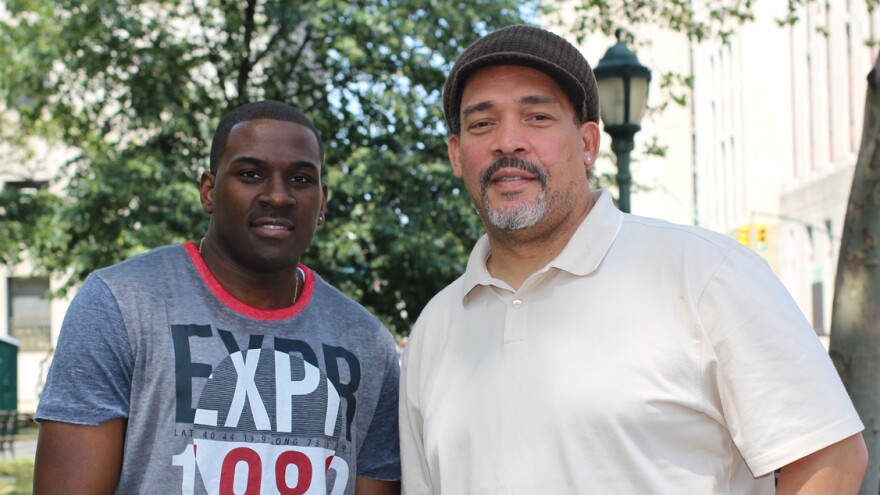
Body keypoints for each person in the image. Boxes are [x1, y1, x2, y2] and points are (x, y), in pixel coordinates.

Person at [399, 24, 867, 494]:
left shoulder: (706, 275)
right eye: (482, 123)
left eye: (537, 117)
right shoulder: (434, 331)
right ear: (458, 155)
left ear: (587, 144)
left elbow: (830, 458)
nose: (508, 141)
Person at [34, 100, 401, 495]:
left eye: (300, 179)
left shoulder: (367, 343)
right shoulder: (121, 305)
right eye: (250, 173)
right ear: (209, 191)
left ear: (322, 201)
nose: (278, 196)